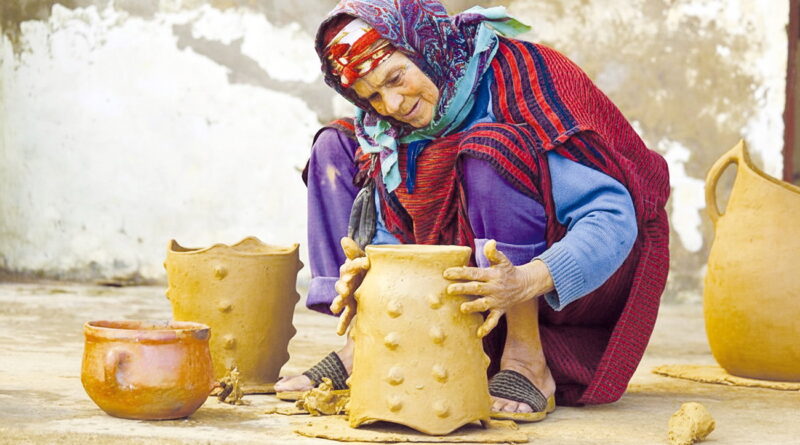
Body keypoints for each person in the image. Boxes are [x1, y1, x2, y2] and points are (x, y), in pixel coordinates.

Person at [276, 0, 670, 421]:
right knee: (333, 148)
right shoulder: (383, 127)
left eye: (395, 77)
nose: (391, 104)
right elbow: (392, 218)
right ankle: (366, 346)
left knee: (490, 148)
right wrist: (375, 274)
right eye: (371, 95)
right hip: (462, 286)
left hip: (555, 283)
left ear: (423, 46)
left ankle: (525, 360)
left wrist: (525, 280)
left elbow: (611, 217)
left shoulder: (520, 77)